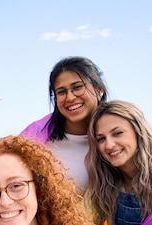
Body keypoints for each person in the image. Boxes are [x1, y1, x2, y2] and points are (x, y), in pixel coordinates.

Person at [19, 56, 107, 192]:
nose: (70, 97)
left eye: (77, 87)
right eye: (61, 92)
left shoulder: (121, 137)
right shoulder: (35, 142)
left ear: (99, 90)